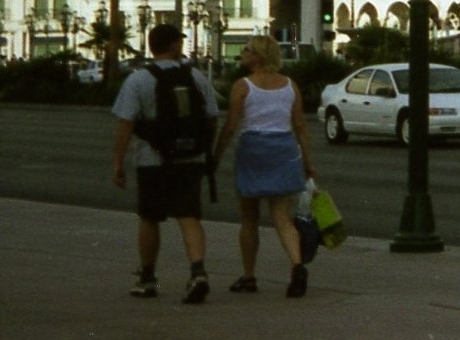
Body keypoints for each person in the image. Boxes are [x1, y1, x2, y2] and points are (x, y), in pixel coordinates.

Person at [111, 23, 221, 303]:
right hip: (190, 158)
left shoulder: (138, 80)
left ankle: (147, 277)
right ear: (172, 45)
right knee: (188, 215)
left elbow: (126, 122)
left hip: (152, 159)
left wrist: (118, 162)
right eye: (179, 41)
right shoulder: (195, 76)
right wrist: (204, 148)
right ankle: (198, 272)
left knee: (149, 217)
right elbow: (212, 117)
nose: (181, 46)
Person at [213, 35, 316, 298]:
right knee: (282, 216)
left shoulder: (243, 86)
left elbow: (231, 126)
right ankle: (297, 265)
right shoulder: (290, 86)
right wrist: (307, 161)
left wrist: (216, 155)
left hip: (253, 150)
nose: (243, 54)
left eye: (247, 50)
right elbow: (301, 126)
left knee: (249, 218)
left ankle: (248, 276)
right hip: (283, 147)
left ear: (258, 56)